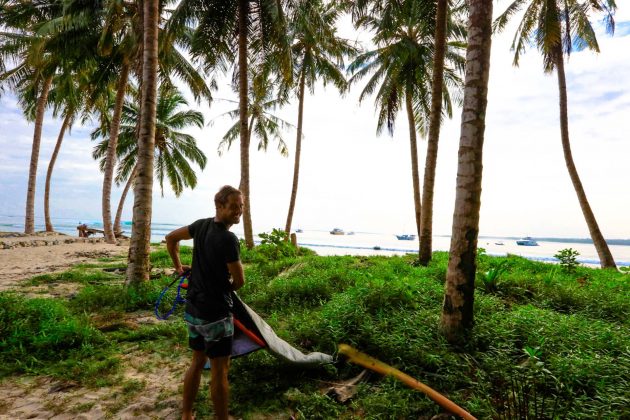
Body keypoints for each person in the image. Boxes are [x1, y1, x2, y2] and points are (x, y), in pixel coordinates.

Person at [165, 185, 245, 420]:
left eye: (241, 207)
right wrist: (222, 288)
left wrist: (179, 267)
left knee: (197, 361)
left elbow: (171, 239)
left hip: (193, 311)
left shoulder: (200, 225)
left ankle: (187, 414)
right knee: (220, 371)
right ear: (219, 206)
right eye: (233, 207)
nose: (238, 211)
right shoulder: (228, 239)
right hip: (216, 315)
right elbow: (239, 281)